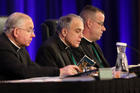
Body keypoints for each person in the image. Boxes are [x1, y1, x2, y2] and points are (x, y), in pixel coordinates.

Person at [0, 12, 80, 80]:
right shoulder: (2, 46)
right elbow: (22, 72)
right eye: (29, 30)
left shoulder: (20, 47)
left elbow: (34, 68)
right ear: (16, 32)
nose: (33, 35)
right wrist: (59, 71)